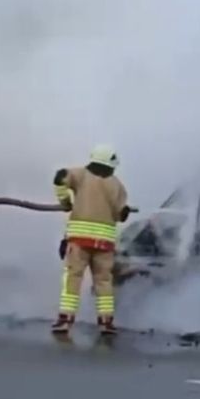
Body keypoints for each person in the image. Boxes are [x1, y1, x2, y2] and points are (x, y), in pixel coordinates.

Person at [51, 143, 131, 342]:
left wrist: (65, 203)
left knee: (73, 279)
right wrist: (123, 211)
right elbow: (121, 215)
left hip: (79, 240)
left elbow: (59, 177)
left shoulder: (80, 175)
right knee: (104, 281)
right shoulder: (117, 185)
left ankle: (65, 320)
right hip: (104, 244)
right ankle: (106, 322)